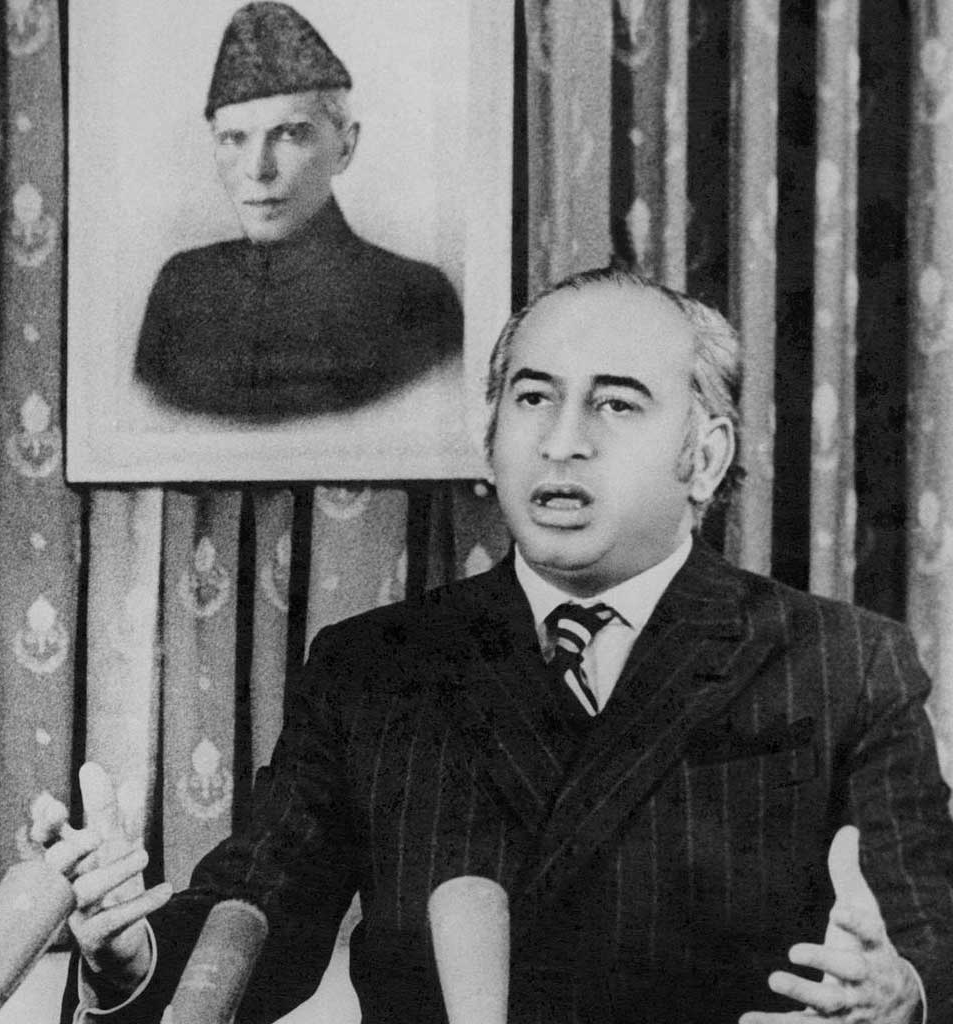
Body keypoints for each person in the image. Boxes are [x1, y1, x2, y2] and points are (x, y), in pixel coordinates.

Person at [57, 265, 953, 1023]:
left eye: (616, 404)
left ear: (706, 457)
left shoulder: (844, 664)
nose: (562, 442)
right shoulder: (375, 668)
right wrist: (128, 959)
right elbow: (258, 913)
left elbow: (925, 937)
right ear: (490, 440)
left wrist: (900, 995)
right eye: (533, 398)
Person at [133, 1, 462, 419]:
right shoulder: (183, 286)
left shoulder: (416, 297)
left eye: (289, 134)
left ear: (344, 147)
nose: (259, 170)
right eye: (234, 138)